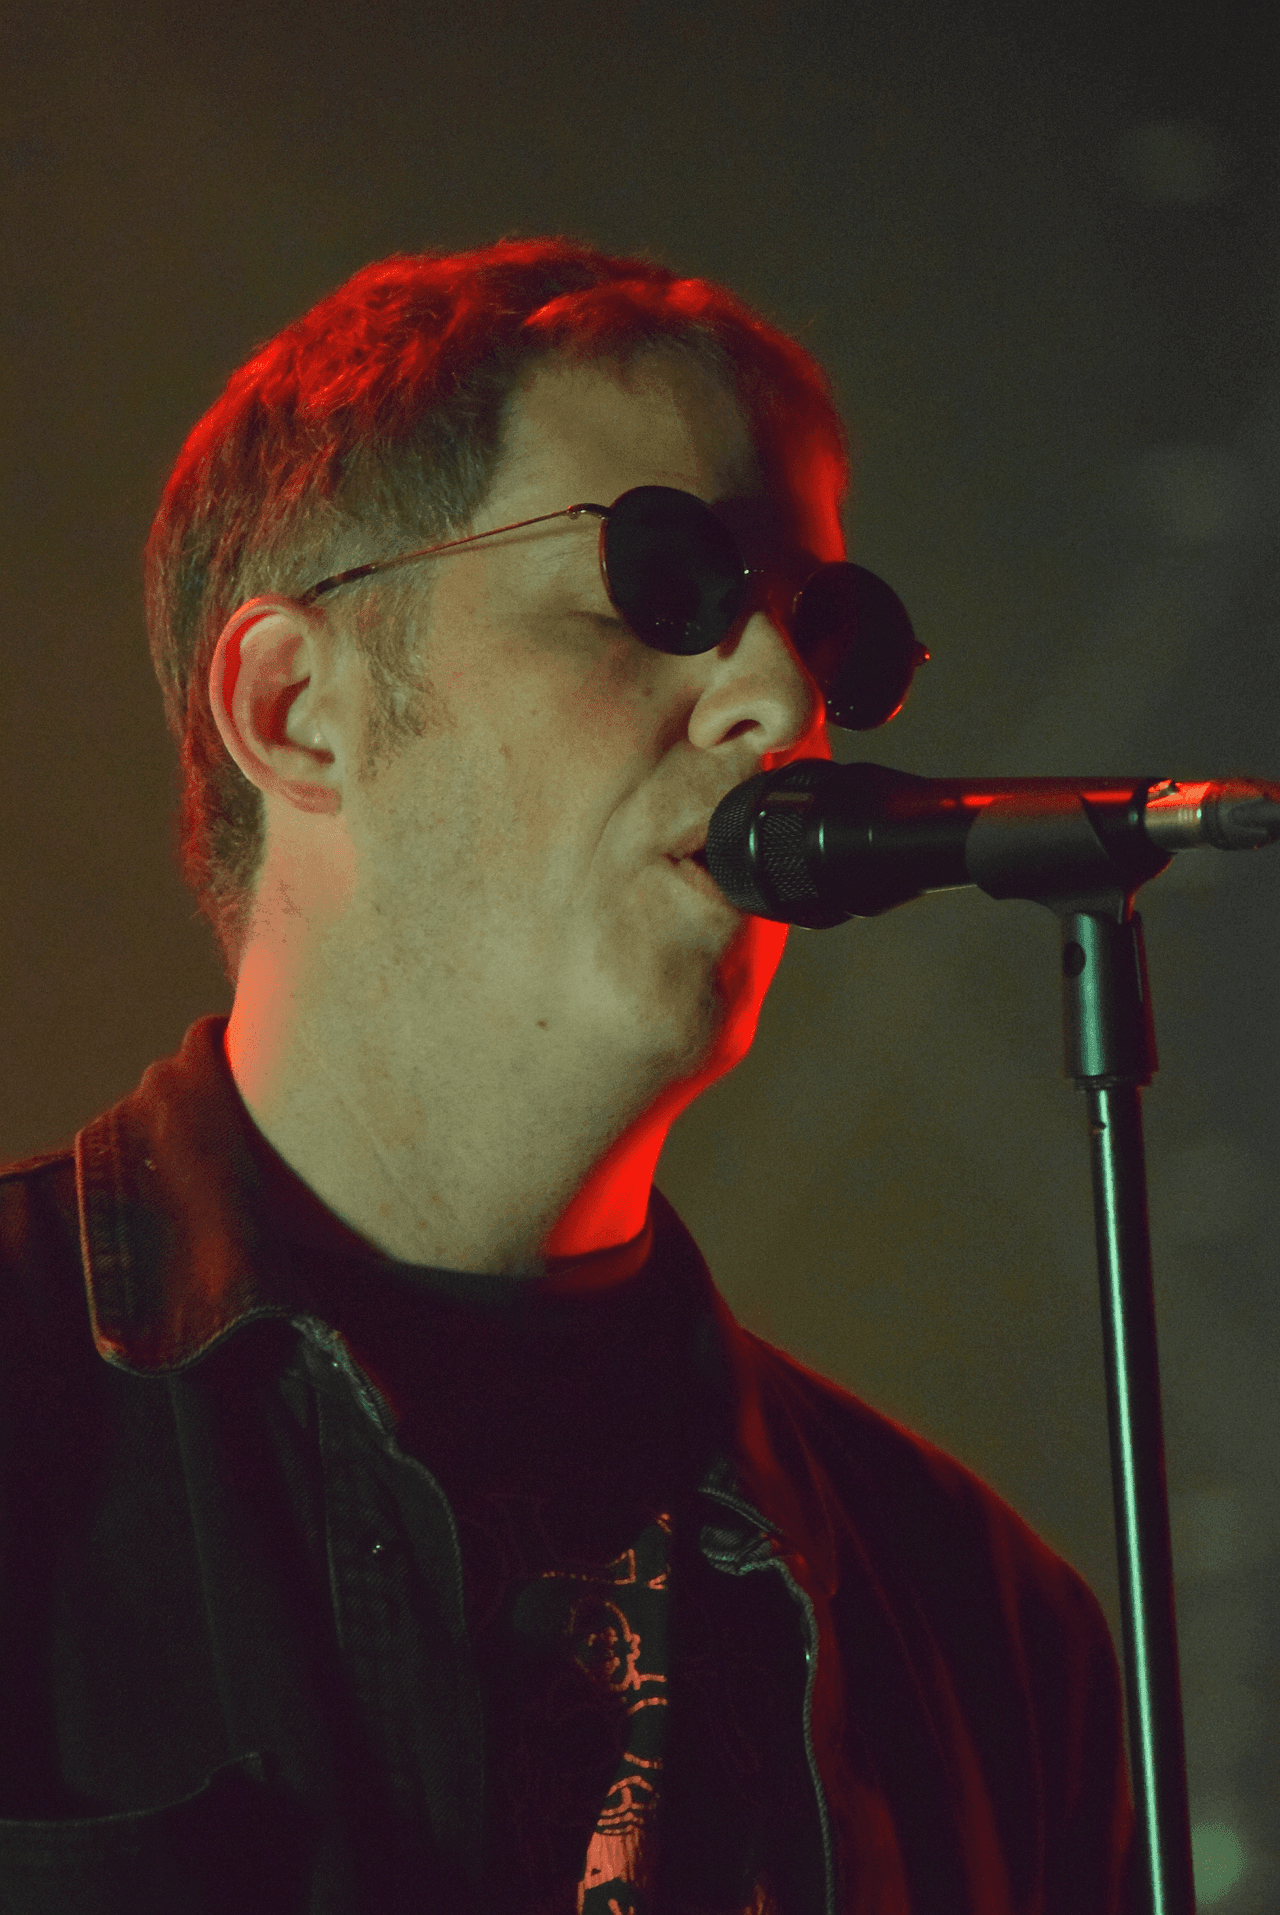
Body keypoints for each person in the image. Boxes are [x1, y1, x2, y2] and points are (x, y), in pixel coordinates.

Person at [0, 239, 1135, 1914]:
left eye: (826, 628)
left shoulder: (987, 1623)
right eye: (661, 583)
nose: (781, 697)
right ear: (295, 707)